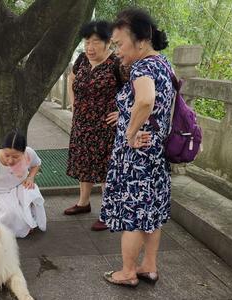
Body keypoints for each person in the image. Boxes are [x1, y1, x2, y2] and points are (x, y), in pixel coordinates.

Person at [100, 8, 173, 287]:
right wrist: (126, 114)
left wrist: (130, 133)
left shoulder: (142, 66)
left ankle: (127, 271)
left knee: (131, 215)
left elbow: (146, 101)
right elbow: (155, 105)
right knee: (151, 212)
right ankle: (149, 267)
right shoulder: (163, 63)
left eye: (120, 44)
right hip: (155, 154)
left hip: (136, 157)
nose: (117, 51)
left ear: (141, 40)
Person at [63, 20, 122, 231]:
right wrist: (73, 102)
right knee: (84, 164)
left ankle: (108, 212)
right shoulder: (81, 60)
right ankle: (83, 203)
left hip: (106, 128)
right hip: (82, 124)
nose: (90, 47)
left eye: (96, 42)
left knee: (106, 170)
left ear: (108, 43)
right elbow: (71, 78)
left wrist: (123, 112)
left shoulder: (117, 64)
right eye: (87, 41)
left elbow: (136, 90)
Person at [0, 131, 46, 238]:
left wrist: (30, 177)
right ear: (2, 149)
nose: (10, 160)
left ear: (23, 152)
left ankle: (27, 218)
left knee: (33, 196)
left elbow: (37, 164)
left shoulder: (29, 153)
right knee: (9, 215)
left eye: (16, 156)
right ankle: (1, 215)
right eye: (6, 155)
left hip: (20, 185)